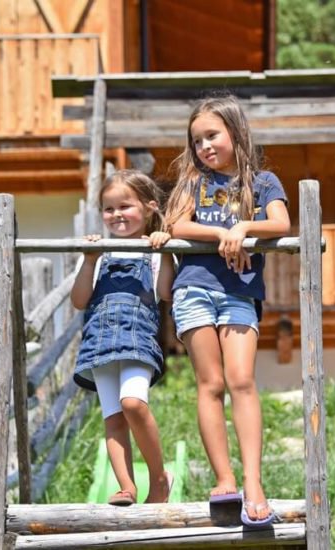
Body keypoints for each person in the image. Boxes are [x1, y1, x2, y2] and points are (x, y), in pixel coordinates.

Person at [164, 94, 291, 526]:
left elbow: (280, 224)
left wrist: (244, 226)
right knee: (210, 383)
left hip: (240, 292)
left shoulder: (264, 182)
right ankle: (224, 479)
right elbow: (176, 225)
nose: (204, 147)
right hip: (194, 290)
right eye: (197, 140)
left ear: (235, 133)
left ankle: (254, 482)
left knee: (241, 380)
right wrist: (224, 236)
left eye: (212, 135)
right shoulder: (191, 183)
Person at [71, 169, 175, 505]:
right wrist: (89, 262)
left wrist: (163, 251)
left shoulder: (154, 250)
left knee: (133, 403)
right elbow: (79, 300)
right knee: (113, 417)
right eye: (108, 208)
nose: (116, 215)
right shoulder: (97, 253)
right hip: (99, 344)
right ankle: (127, 487)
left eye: (125, 206)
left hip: (138, 340)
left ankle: (159, 478)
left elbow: (165, 293)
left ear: (148, 208)